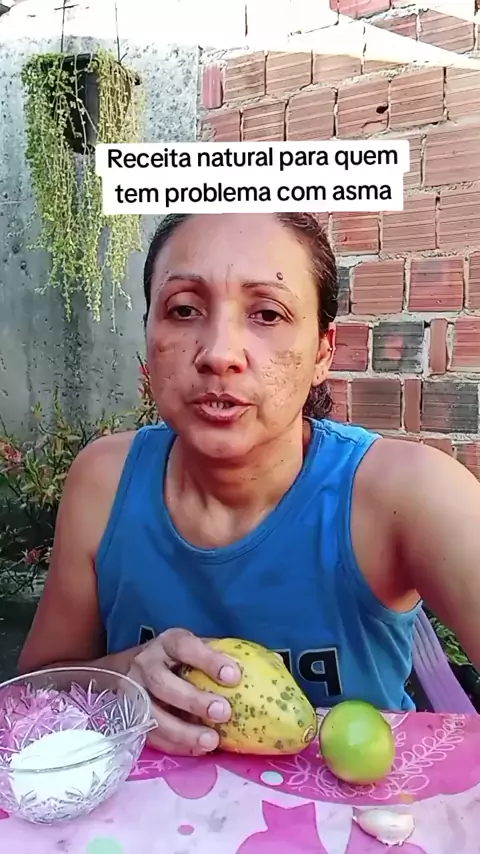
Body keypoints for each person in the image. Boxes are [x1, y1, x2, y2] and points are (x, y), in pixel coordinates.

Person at [19, 212, 480, 756]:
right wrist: (124, 675)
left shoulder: (408, 496)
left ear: (323, 352)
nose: (219, 354)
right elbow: (33, 693)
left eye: (267, 314)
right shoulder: (105, 482)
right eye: (184, 309)